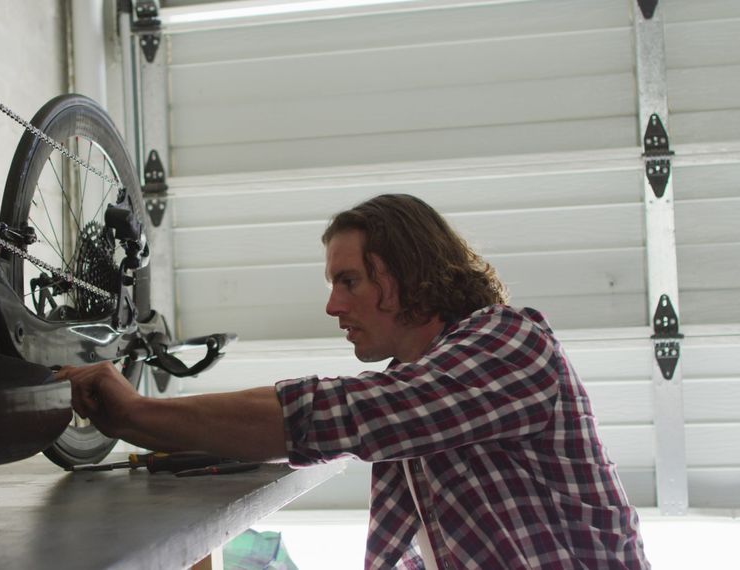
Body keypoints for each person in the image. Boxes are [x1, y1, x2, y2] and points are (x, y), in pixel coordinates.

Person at [56, 193, 648, 569]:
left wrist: (138, 414)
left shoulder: (512, 343)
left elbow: (341, 416)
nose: (333, 306)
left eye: (349, 281)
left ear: (409, 273)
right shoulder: (416, 396)